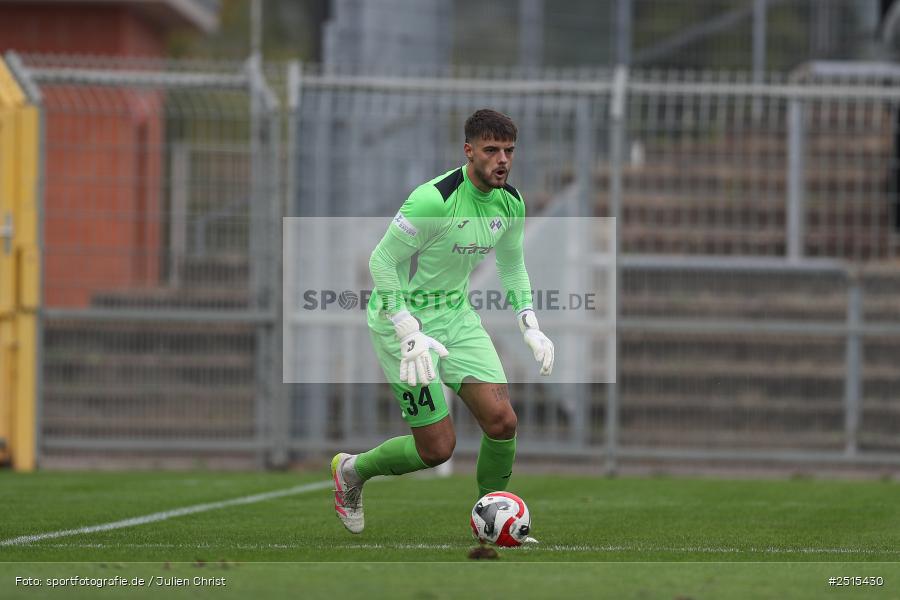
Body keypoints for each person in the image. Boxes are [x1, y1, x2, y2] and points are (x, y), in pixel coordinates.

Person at [331, 109, 554, 534]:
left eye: (508, 151)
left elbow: (511, 265)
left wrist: (530, 323)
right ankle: (352, 472)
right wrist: (405, 327)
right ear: (469, 151)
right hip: (402, 323)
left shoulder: (511, 203)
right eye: (491, 150)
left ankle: (494, 521)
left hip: (455, 316)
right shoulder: (434, 199)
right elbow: (382, 259)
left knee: (503, 421)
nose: (502, 160)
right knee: (437, 449)